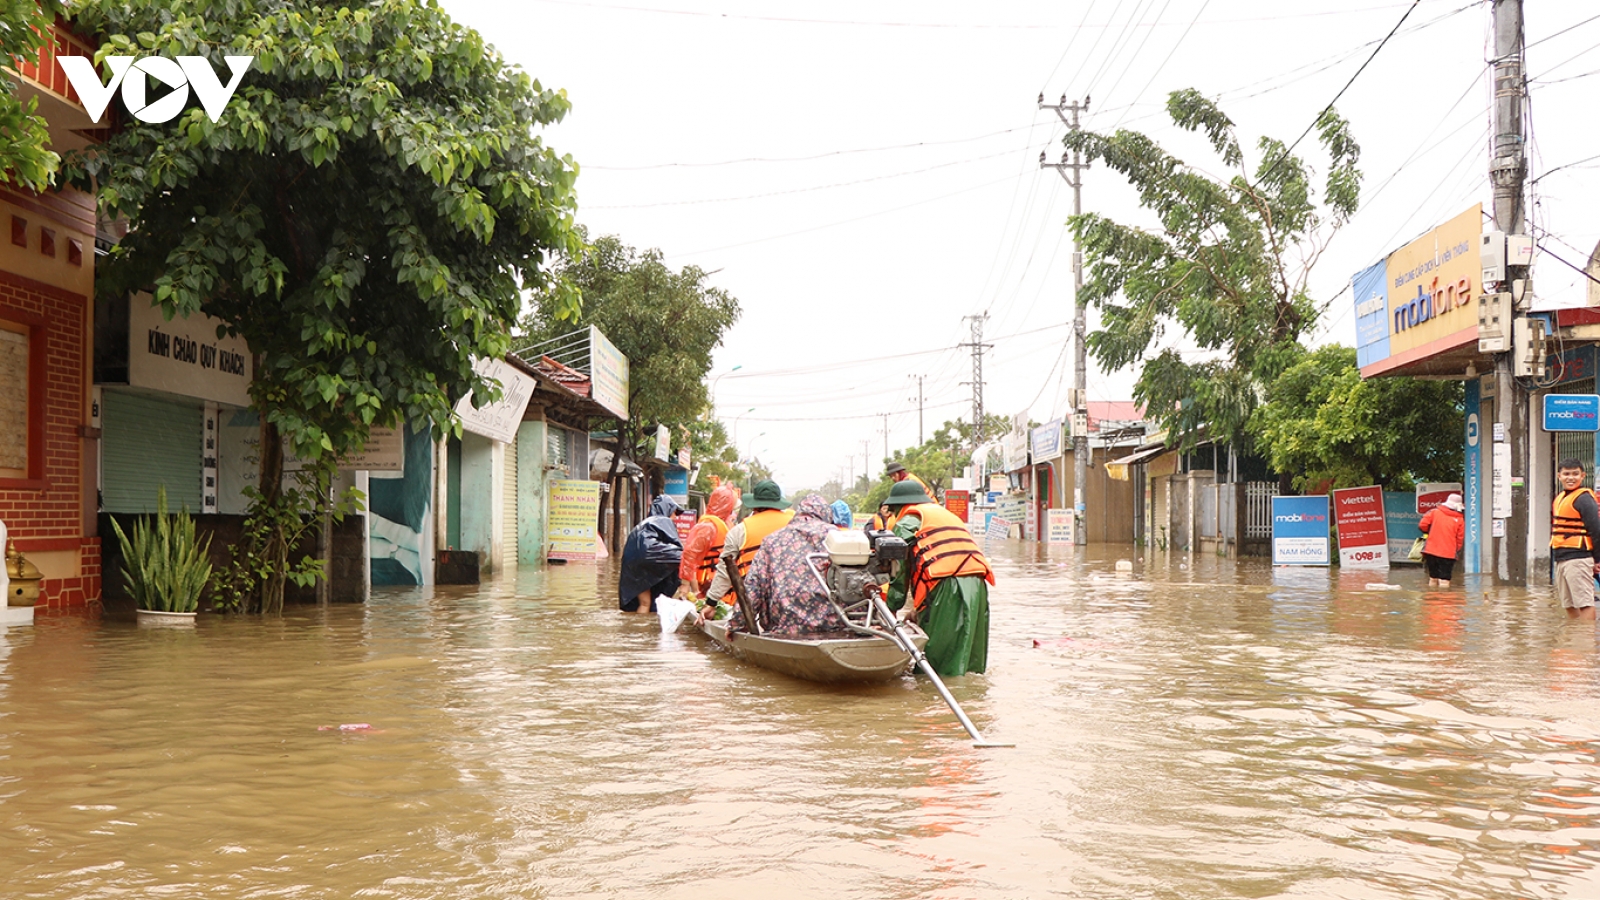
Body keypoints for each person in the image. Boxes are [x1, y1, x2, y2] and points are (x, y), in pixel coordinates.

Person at [883, 480, 994, 677]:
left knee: (937, 660)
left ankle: (934, 702)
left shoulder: (907, 521)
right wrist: (916, 610)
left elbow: (899, 571)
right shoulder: (945, 515)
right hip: (977, 583)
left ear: (899, 506)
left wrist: (891, 609)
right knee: (967, 659)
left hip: (948, 585)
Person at [733, 493, 852, 637]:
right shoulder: (840, 537)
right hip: (837, 625)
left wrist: (736, 624)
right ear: (826, 515)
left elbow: (752, 589)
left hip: (785, 627)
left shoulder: (772, 541)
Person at [705, 480, 795, 606]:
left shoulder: (740, 530)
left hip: (755, 602)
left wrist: (711, 601)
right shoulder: (795, 524)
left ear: (754, 505)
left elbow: (725, 570)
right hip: (793, 598)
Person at [1551, 458, 1600, 620]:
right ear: (1559, 476)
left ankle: (1586, 641)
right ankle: (1574, 640)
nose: (1570, 478)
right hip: (1562, 558)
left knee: (1585, 602)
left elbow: (1596, 530)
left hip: (1579, 557)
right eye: (1566, 474)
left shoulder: (1584, 499)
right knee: (1569, 604)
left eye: (1575, 474)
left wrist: (1597, 560)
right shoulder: (1560, 498)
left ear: (1583, 476)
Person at [618, 495, 683, 613]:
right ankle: (647, 630)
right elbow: (677, 548)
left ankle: (638, 628)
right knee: (684, 556)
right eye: (673, 513)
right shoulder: (664, 520)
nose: (674, 517)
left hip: (633, 567)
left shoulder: (641, 524)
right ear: (666, 510)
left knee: (644, 603)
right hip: (650, 560)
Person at [678, 481, 740, 599]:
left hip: (723, 583)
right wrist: (685, 585)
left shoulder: (726, 524)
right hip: (709, 586)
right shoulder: (707, 527)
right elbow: (689, 555)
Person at [1417, 492, 1465, 587]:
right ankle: (1443, 600)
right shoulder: (1459, 519)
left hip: (1431, 551)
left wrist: (1429, 532)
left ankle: (1432, 598)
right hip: (1448, 553)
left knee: (1433, 577)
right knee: (1444, 580)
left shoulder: (1434, 512)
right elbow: (1460, 538)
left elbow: (1422, 525)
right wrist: (1456, 550)